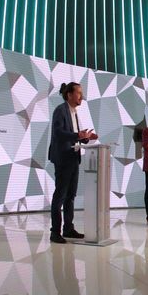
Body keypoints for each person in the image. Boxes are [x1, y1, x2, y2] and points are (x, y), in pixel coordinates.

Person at [48, 82, 98, 244]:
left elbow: (73, 135)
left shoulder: (74, 112)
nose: (81, 96)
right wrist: (78, 135)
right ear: (69, 95)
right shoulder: (60, 110)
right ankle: (55, 232)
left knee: (71, 196)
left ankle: (68, 229)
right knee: (60, 196)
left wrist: (85, 138)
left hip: (73, 157)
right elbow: (58, 133)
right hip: (63, 158)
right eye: (78, 93)